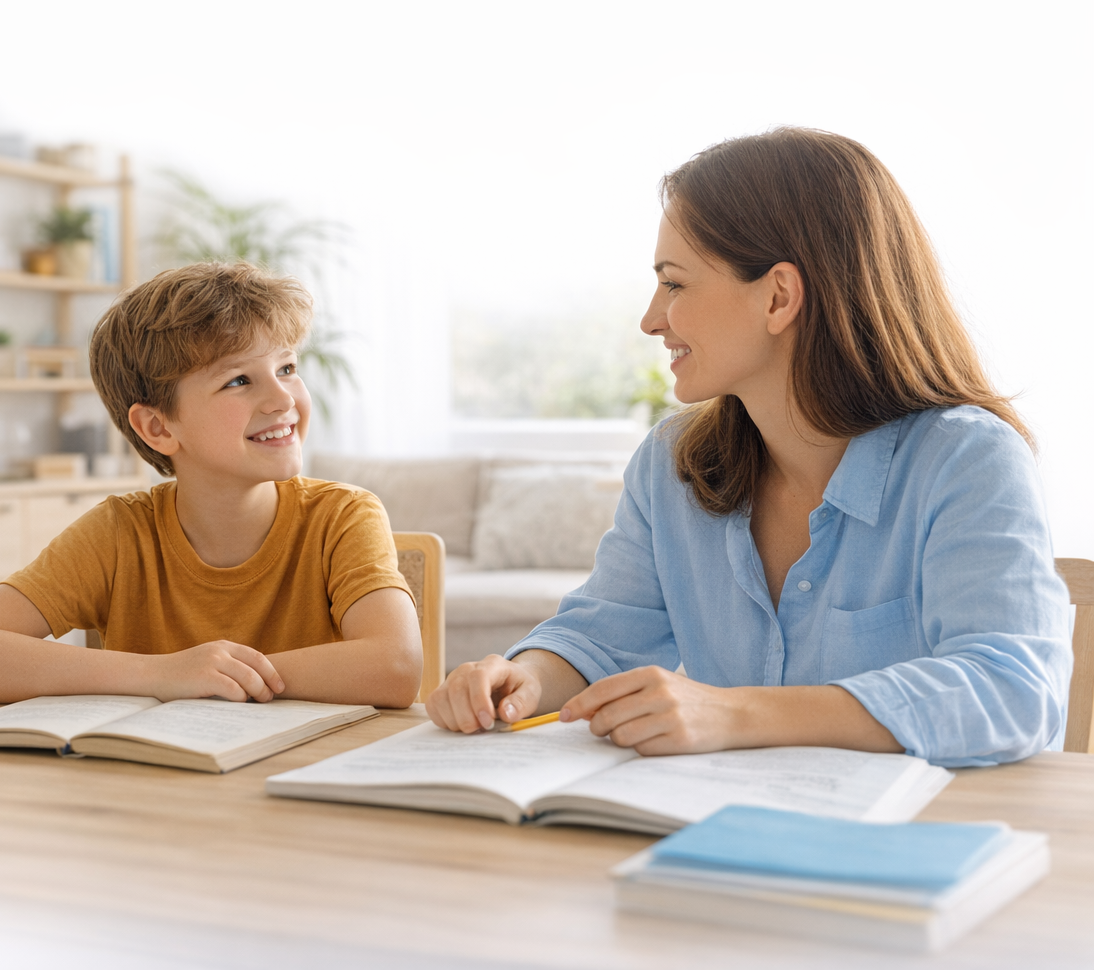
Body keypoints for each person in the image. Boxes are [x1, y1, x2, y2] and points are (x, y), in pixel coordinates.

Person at [428, 128, 1071, 766]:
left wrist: (733, 712)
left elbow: (1014, 690)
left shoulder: (967, 460)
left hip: (918, 843)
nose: (652, 318)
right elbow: (602, 632)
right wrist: (527, 679)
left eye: (675, 284)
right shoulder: (670, 463)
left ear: (778, 296)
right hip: (720, 829)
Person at [0, 262, 422, 707]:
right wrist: (160, 674)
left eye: (286, 368)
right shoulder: (119, 534)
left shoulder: (342, 516)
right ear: (158, 428)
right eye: (238, 380)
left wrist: (217, 677)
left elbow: (395, 666)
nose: (283, 398)